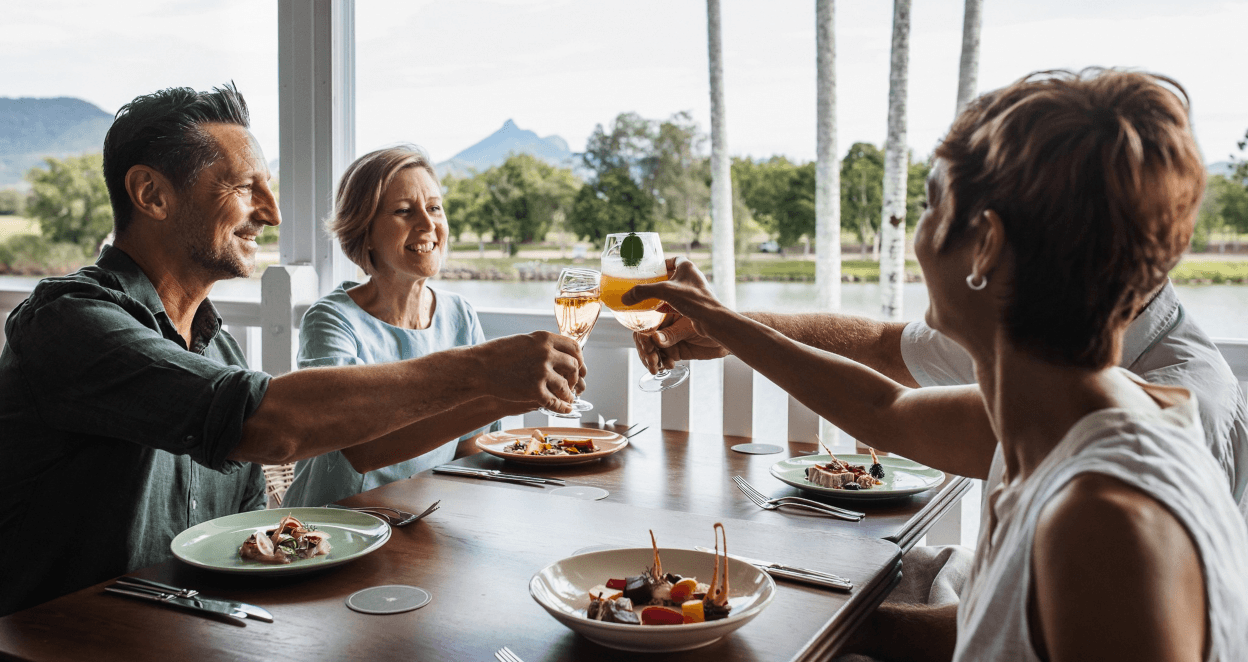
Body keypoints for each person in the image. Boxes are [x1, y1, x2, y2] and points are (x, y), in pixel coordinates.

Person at [622, 69, 1248, 660]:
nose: (915, 234)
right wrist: (722, 321)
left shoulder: (1106, 519)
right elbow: (882, 408)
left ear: (987, 245)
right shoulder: (1062, 412)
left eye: (928, 205)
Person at [0, 84, 584, 616]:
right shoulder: (69, 320)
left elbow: (253, 533)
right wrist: (480, 370)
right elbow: (272, 424)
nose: (272, 214)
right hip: (62, 638)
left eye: (269, 189)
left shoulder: (218, 349)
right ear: (152, 194)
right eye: (243, 187)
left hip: (188, 629)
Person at [283, 145, 502, 507]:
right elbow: (360, 451)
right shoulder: (332, 321)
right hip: (331, 528)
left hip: (421, 520)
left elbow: (471, 443)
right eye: (403, 211)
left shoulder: (460, 314)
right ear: (364, 231)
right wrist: (502, 397)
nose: (428, 224)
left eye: (434, 207)